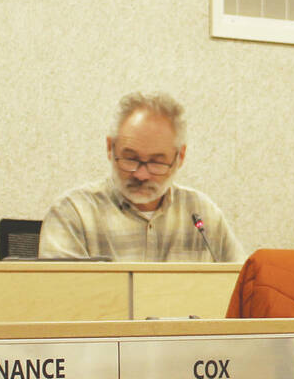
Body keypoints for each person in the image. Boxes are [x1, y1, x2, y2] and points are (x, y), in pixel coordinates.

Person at [39, 92, 242, 262]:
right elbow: (59, 303)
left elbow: (243, 289)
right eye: (130, 158)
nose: (141, 174)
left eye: (156, 163)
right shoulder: (73, 214)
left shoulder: (202, 215)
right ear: (110, 148)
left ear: (180, 157)